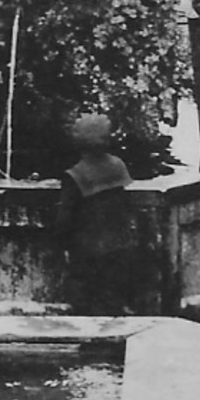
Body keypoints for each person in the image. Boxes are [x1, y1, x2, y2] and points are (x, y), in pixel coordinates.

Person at [56, 114, 135, 315]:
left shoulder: (75, 175)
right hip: (119, 243)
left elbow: (65, 216)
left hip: (87, 248)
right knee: (114, 296)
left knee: (86, 299)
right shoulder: (118, 165)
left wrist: (62, 244)